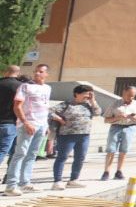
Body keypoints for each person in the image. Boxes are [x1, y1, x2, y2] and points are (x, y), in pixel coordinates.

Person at [4, 64, 52, 195]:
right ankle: (11, 185)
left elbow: (45, 106)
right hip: (28, 124)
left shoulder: (47, 88)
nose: (37, 73)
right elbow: (17, 106)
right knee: (20, 153)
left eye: (41, 72)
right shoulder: (25, 87)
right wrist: (25, 122)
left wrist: (46, 125)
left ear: (46, 74)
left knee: (32, 154)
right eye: (36, 71)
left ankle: (25, 182)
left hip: (41, 124)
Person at [49, 84, 101, 189]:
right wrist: (60, 119)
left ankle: (74, 179)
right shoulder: (67, 104)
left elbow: (98, 113)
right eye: (86, 94)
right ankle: (57, 181)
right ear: (77, 94)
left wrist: (93, 101)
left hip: (84, 135)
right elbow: (49, 111)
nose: (88, 96)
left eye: (90, 94)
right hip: (67, 135)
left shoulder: (88, 105)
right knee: (62, 157)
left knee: (80, 158)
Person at [102, 85, 136, 180]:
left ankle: (119, 171)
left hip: (130, 128)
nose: (131, 98)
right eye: (129, 95)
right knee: (111, 150)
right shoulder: (115, 104)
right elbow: (106, 120)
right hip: (116, 127)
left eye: (133, 96)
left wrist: (134, 117)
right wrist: (118, 117)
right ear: (124, 93)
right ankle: (106, 172)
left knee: (124, 151)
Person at [0, 65, 21, 187]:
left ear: (6, 72)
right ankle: (9, 176)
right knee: (8, 151)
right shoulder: (19, 87)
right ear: (18, 73)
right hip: (10, 122)